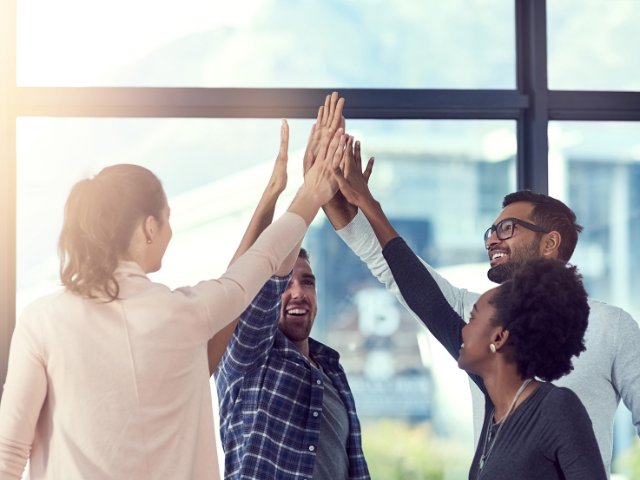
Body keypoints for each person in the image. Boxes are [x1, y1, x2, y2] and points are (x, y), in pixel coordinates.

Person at [0, 120, 341, 480]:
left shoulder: (41, 321)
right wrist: (310, 195)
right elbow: (259, 264)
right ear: (150, 227)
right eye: (167, 219)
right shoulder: (187, 314)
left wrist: (276, 193)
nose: (169, 230)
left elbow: (8, 455)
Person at [322, 139, 640, 475]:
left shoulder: (611, 326)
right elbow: (397, 271)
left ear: (549, 243)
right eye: (491, 230)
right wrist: (333, 200)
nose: (491, 239)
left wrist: (368, 203)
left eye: (507, 228)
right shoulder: (481, 318)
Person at [211, 94, 370, 480]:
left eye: (309, 282)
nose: (298, 292)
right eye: (288, 284)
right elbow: (253, 282)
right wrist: (303, 191)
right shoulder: (247, 356)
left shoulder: (331, 369)